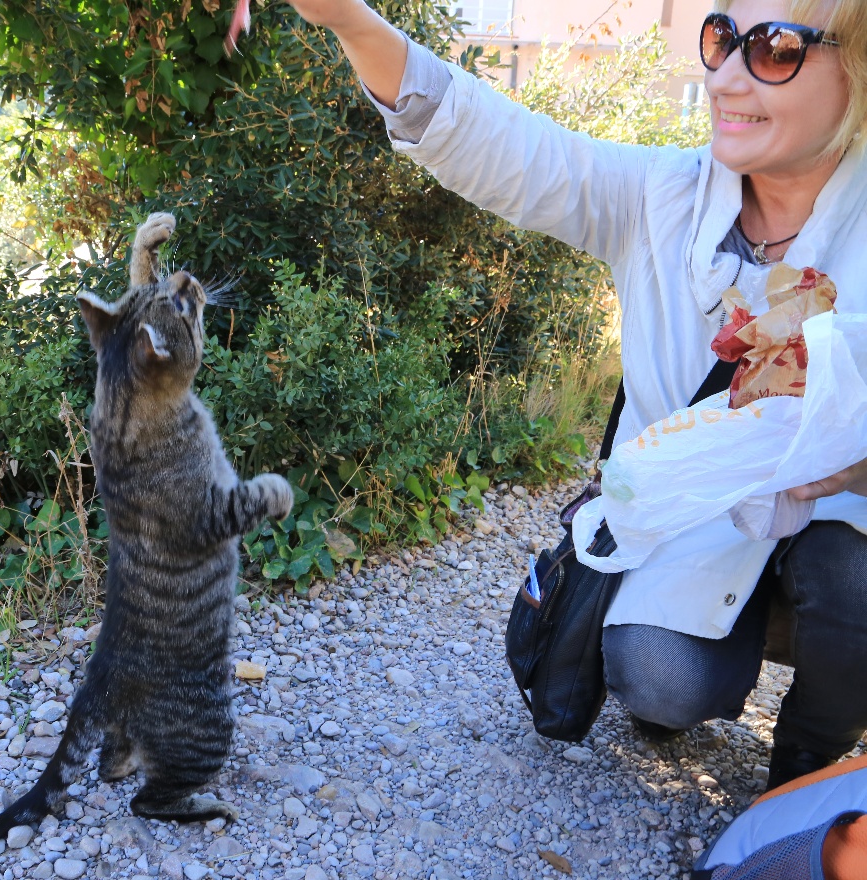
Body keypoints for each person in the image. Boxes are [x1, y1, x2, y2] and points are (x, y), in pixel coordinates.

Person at [283, 0, 867, 789]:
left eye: (774, 50)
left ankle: (807, 772)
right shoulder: (662, 195)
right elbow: (513, 151)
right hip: (692, 516)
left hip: (843, 525)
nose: (726, 76)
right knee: (659, 676)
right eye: (723, 38)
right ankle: (702, 653)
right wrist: (352, 22)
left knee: (849, 583)